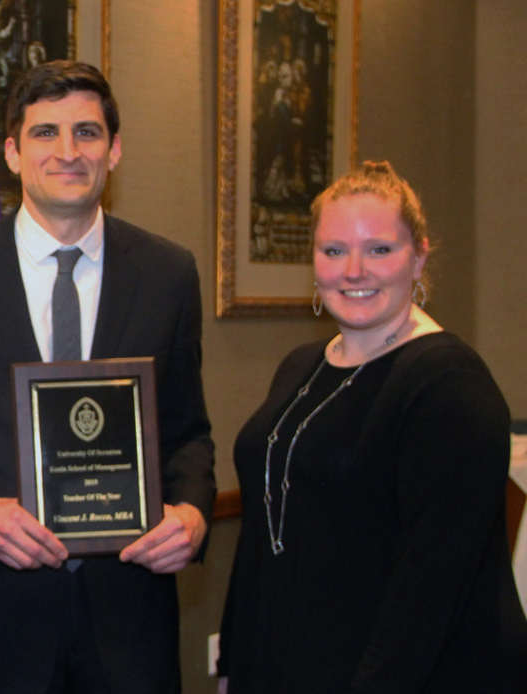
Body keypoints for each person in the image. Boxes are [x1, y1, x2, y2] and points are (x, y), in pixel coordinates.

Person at [0, 60, 216, 694]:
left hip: (131, 618)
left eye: (87, 133)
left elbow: (188, 430)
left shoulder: (168, 273)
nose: (67, 152)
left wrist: (195, 514)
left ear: (114, 150)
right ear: (11, 152)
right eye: (45, 133)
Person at [217, 161, 527, 693]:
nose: (353, 270)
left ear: (419, 256)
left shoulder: (451, 387)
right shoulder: (300, 365)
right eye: (334, 250)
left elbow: (431, 588)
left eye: (379, 249)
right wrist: (232, 670)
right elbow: (261, 540)